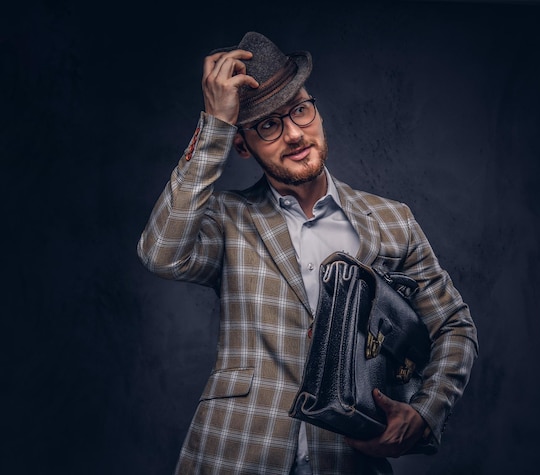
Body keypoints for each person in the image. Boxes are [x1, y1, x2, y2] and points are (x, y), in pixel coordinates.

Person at [138, 31, 478, 475]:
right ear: (242, 145)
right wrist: (214, 127)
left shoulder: (393, 220)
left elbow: (453, 325)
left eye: (300, 109)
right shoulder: (225, 219)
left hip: (348, 461)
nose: (295, 134)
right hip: (234, 456)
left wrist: (424, 412)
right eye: (267, 125)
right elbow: (161, 253)